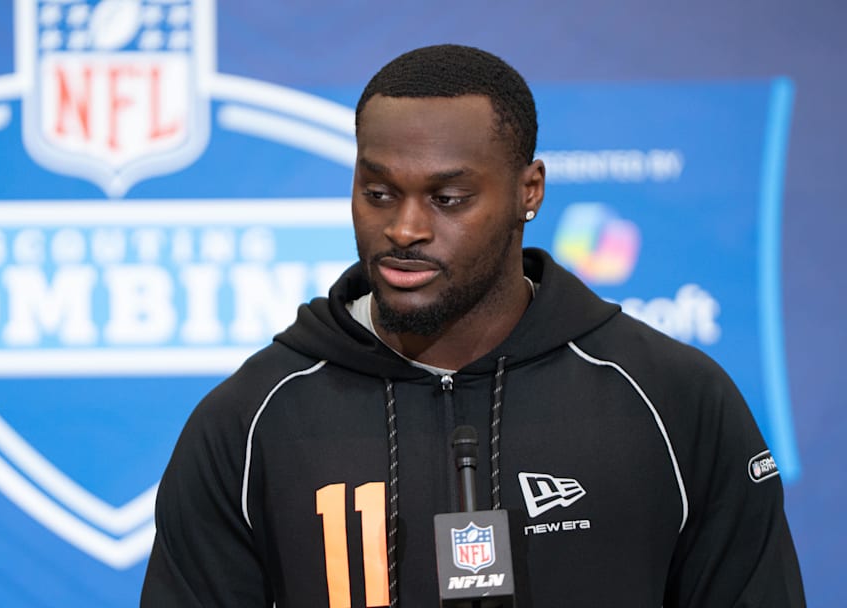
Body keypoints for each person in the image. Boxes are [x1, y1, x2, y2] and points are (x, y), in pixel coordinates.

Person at [140, 44, 805, 607]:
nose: (405, 229)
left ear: (529, 191)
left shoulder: (674, 399)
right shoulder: (250, 421)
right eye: (378, 193)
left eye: (448, 198)